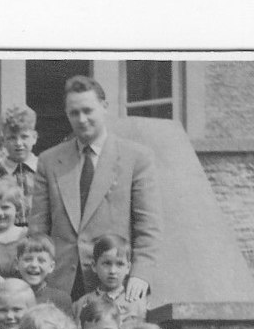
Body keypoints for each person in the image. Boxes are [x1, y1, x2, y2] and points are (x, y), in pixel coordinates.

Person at [29, 75, 161, 300]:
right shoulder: (49, 161)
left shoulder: (136, 158)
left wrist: (141, 274)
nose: (81, 119)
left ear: (104, 107)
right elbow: (38, 230)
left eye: (88, 110)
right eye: (74, 113)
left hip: (115, 283)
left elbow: (148, 226)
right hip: (59, 285)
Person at [72, 233, 152, 329]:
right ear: (94, 266)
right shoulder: (83, 303)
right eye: (106, 264)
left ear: (128, 268)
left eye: (119, 264)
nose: (112, 271)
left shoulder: (137, 303)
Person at [0, 103, 43, 226]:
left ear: (34, 138)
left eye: (24, 137)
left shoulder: (45, 169)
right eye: (12, 138)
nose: (19, 143)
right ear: (3, 141)